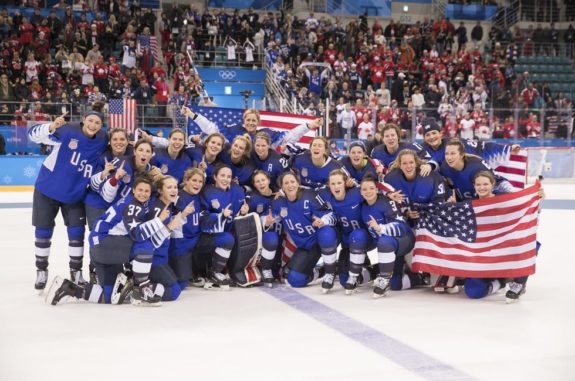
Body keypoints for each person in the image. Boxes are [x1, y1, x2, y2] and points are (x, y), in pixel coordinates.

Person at [45, 175, 179, 306]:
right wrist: (159, 221)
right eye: (140, 190)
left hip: (101, 249)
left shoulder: (133, 202)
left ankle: (68, 288)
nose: (143, 194)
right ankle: (141, 289)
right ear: (133, 190)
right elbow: (137, 235)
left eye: (147, 191)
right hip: (105, 244)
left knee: (109, 295)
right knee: (144, 245)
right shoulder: (133, 206)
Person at [28, 104, 108, 291]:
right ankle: (41, 270)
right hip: (47, 189)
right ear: (83, 120)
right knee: (43, 231)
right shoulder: (67, 130)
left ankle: (76, 272)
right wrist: (50, 126)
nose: (93, 124)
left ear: (101, 125)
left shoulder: (103, 139)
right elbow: (33, 135)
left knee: (77, 233)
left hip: (75, 195)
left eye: (97, 122)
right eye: (90, 120)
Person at [462, 171, 545, 303]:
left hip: (505, 251)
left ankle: (519, 283)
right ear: (473, 186)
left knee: (529, 245)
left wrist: (538, 200)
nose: (481, 187)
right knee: (473, 291)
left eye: (485, 184)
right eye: (478, 184)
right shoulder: (468, 204)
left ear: (493, 185)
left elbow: (527, 212)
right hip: (483, 257)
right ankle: (501, 281)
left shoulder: (506, 199)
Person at [266, 171, 338, 289]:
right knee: (294, 279)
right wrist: (267, 222)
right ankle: (322, 271)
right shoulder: (279, 202)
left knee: (326, 233)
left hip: (322, 238)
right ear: (282, 187)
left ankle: (331, 271)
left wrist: (323, 221)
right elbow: (270, 219)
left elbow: (331, 215)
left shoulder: (309, 195)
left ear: (298, 183)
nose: (290, 185)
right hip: (306, 246)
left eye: (292, 182)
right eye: (286, 183)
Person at [359, 174, 415, 298]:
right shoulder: (362, 205)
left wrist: (381, 228)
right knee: (395, 284)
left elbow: (402, 227)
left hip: (402, 240)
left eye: (371, 188)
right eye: (364, 189)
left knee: (385, 242)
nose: (368, 191)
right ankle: (375, 271)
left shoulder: (387, 202)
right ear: (360, 192)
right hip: (386, 246)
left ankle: (419, 277)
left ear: (377, 189)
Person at [317, 169, 372, 294]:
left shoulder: (356, 193)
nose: (336, 186)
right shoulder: (327, 196)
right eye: (333, 184)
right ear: (329, 185)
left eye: (339, 183)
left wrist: (390, 194)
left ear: (345, 183)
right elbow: (306, 190)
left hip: (365, 238)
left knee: (357, 235)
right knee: (343, 281)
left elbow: (373, 187)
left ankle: (355, 275)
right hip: (347, 243)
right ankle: (330, 272)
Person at [198, 164, 249, 289]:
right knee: (227, 239)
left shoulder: (236, 190)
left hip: (227, 233)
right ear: (215, 176)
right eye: (222, 175)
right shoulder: (206, 191)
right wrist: (221, 216)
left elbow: (240, 210)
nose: (226, 179)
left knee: (237, 237)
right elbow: (202, 218)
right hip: (206, 237)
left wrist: (243, 211)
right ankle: (214, 272)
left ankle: (233, 270)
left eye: (229, 176)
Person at [182, 106, 322, 148]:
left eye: (253, 120)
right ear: (244, 121)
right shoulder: (234, 131)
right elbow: (210, 127)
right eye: (248, 120)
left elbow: (289, 136)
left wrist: (309, 125)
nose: (250, 123)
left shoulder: (267, 135)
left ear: (258, 122)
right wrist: (192, 115)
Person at [440, 139, 514, 201]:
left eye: (453, 153)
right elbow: (451, 188)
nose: (449, 157)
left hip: (495, 193)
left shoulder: (477, 166)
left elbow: (494, 184)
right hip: (468, 204)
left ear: (461, 155)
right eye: (447, 154)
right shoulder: (445, 167)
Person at [169, 168, 207, 288]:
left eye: (200, 181)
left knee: (223, 240)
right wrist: (182, 214)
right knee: (182, 283)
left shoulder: (198, 196)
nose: (197, 184)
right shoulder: (176, 195)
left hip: (196, 238)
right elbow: (168, 219)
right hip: (181, 242)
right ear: (186, 180)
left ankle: (210, 271)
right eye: (194, 180)